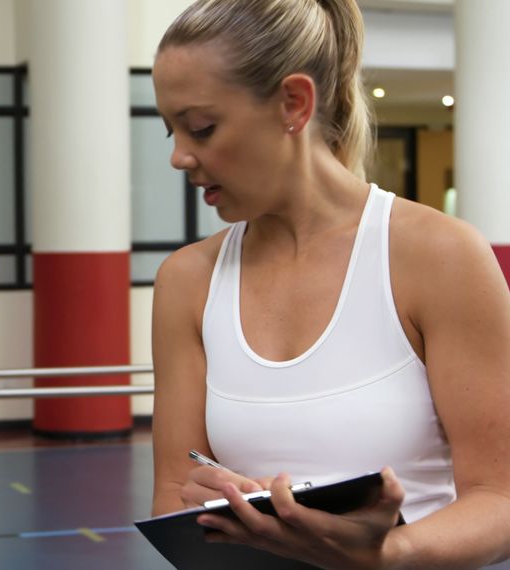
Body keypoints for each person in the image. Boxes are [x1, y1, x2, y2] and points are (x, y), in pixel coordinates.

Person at [149, 0, 510, 568]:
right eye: (170, 129)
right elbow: (174, 489)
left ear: (294, 103)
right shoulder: (185, 282)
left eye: (201, 128)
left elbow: (501, 498)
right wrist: (218, 505)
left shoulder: (440, 256)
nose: (178, 155)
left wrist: (388, 552)